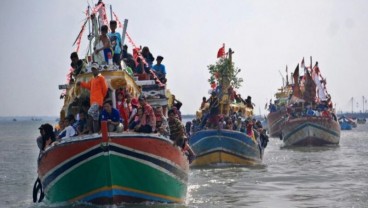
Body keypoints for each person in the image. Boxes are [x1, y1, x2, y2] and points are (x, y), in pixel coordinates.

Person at [77, 63, 108, 133]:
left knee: (89, 112)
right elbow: (88, 86)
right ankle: (96, 132)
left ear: (97, 70)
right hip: (93, 101)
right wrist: (81, 83)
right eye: (92, 69)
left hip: (98, 101)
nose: (93, 71)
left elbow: (105, 89)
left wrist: (101, 97)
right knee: (95, 118)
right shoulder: (92, 79)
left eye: (94, 69)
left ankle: (89, 130)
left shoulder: (101, 78)